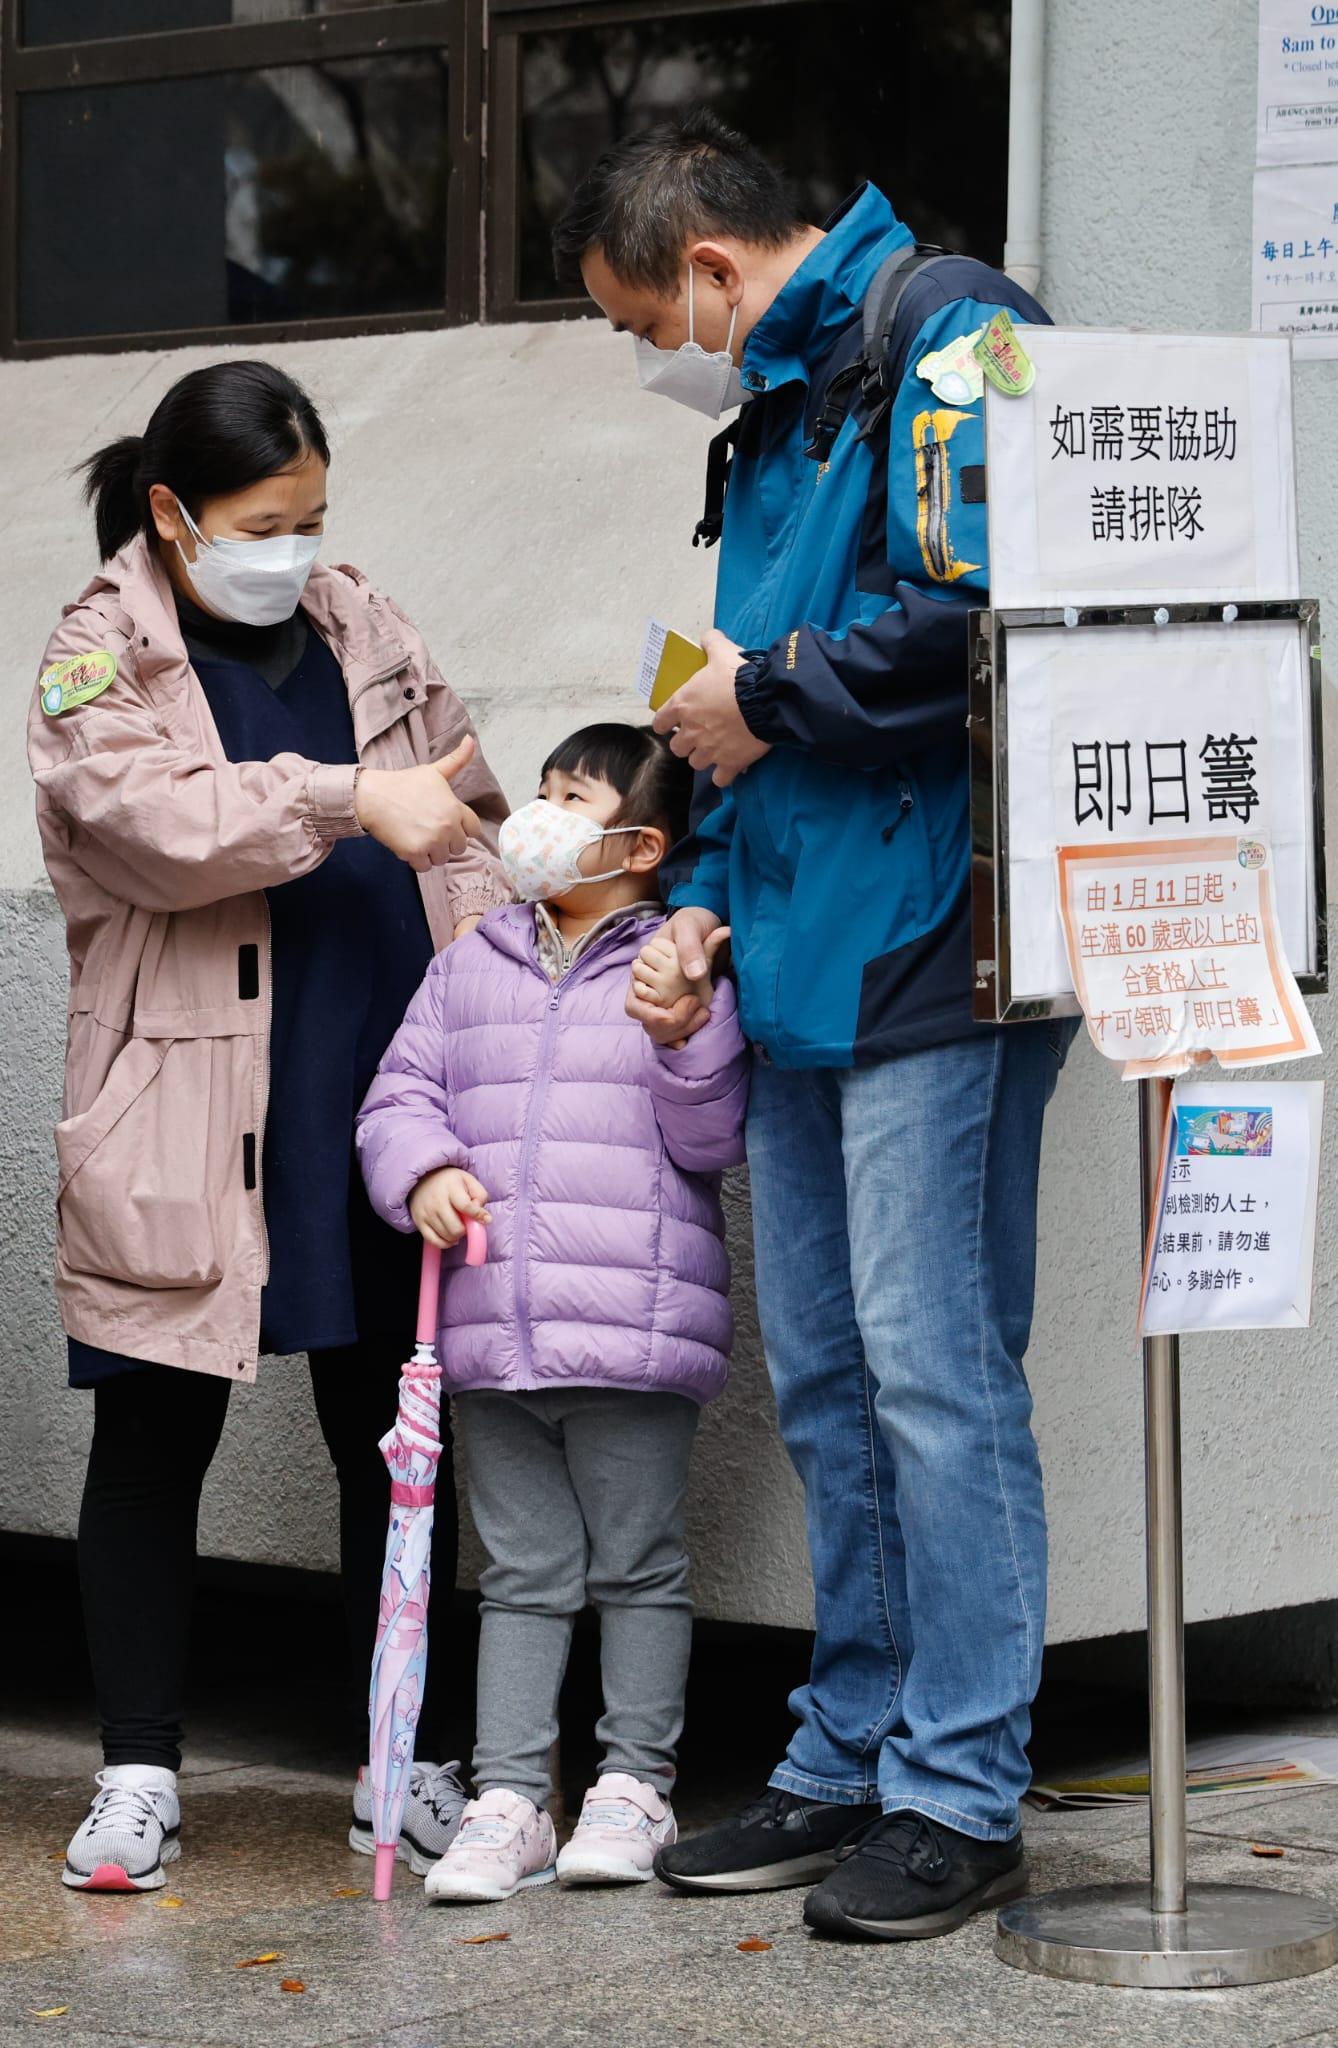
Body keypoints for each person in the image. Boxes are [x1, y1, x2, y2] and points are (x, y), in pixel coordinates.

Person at [554, 111, 1075, 1942]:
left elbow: (997, 611)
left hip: (932, 931)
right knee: (839, 1379)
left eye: (643, 323)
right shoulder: (782, 389)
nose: (649, 360)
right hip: (788, 936)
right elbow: (746, 689)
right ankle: (848, 1741)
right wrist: (691, 881)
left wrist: (771, 698)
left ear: (709, 263)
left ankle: (960, 1782)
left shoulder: (950, 332)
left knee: (938, 1371)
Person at [28, 360, 511, 1893]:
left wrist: (518, 909)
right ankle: (136, 1775)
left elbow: (468, 805)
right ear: (172, 516)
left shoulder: (363, 620)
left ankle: (400, 1764)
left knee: (398, 1438)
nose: (293, 550)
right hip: (188, 1097)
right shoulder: (96, 656)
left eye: (311, 517)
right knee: (153, 1432)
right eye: (261, 521)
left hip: (382, 1081)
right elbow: (162, 830)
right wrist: (350, 797)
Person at [357, 723, 748, 1905]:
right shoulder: (473, 957)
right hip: (494, 1329)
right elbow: (398, 1092)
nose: (540, 815)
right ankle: (511, 1795)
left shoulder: (676, 967)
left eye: (571, 797)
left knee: (636, 1565)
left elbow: (712, 1134)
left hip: (632, 1327)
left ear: (641, 842)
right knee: (520, 1571)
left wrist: (684, 1032)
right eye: (540, 791)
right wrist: (423, 1168)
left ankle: (634, 1782)